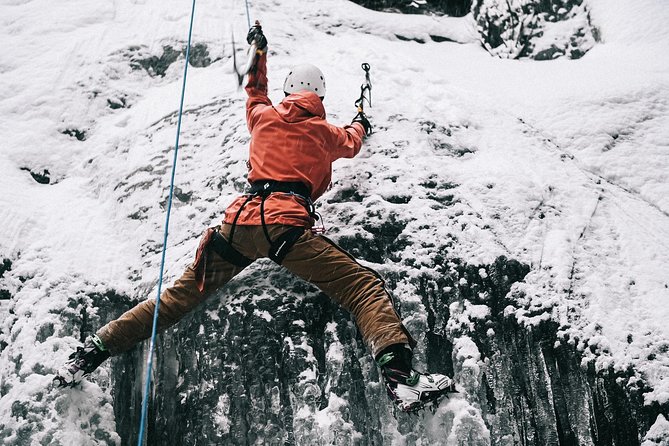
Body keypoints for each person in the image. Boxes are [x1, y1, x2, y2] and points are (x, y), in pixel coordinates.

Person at [54, 24, 455, 413]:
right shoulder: (324, 131)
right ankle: (400, 377)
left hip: (238, 224)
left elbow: (254, 87)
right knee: (362, 287)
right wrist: (361, 123)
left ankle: (91, 351)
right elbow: (351, 142)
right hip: (286, 228)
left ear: (289, 92)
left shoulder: (263, 115)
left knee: (175, 300)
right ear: (319, 97)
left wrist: (258, 49)